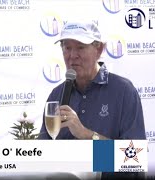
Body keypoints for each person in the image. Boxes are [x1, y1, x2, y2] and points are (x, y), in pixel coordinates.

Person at [38, 20, 146, 179]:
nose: (72, 56)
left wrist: (87, 135)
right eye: (67, 48)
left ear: (99, 49)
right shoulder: (56, 94)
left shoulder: (123, 91)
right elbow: (43, 153)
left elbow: (134, 158)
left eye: (80, 47)